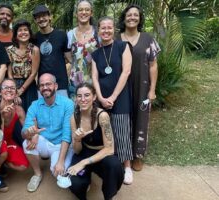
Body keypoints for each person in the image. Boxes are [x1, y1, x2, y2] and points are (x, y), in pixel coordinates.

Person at [117, 4, 161, 171]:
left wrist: (152, 90)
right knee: (122, 119)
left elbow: (153, 66)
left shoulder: (148, 39)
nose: (132, 17)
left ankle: (138, 156)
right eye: (129, 15)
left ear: (140, 18)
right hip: (121, 87)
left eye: (136, 15)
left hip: (142, 87)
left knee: (141, 119)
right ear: (124, 18)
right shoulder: (116, 38)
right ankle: (123, 154)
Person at [91, 17, 134, 184]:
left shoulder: (123, 47)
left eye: (109, 28)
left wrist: (113, 97)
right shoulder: (95, 54)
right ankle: (111, 165)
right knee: (106, 133)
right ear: (98, 30)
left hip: (120, 96)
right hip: (102, 97)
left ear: (114, 29)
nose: (106, 31)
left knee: (122, 131)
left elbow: (126, 71)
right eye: (103, 28)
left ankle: (127, 167)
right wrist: (101, 98)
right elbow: (95, 76)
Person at [67, 83, 124, 200]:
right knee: (74, 182)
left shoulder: (102, 116)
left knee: (115, 166)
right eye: (79, 96)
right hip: (84, 152)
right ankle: (85, 183)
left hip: (103, 154)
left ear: (94, 97)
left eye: (87, 95)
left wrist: (84, 162)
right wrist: (77, 139)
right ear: (76, 98)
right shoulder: (74, 118)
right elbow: (77, 151)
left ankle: (109, 195)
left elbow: (109, 149)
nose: (83, 99)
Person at [22, 73, 74, 192]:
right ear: (39, 88)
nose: (45, 87)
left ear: (55, 86)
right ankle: (37, 174)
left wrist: (60, 162)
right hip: (45, 142)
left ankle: (69, 163)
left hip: (61, 144)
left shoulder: (67, 104)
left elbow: (67, 134)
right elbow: (24, 131)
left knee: (58, 172)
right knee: (26, 143)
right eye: (42, 85)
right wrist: (31, 133)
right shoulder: (34, 105)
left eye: (48, 84)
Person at [0, 79, 28, 192]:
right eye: (6, 87)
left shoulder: (18, 110)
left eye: (12, 88)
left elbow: (26, 131)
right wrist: (2, 117)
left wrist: (32, 133)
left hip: (8, 142)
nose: (9, 90)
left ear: (16, 92)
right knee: (3, 152)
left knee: (23, 166)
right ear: (0, 92)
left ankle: (2, 164)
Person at [32, 5, 72, 97]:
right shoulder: (34, 38)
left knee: (63, 110)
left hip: (61, 84)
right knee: (44, 111)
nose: (41, 19)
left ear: (50, 17)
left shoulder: (61, 35)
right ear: (35, 20)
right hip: (43, 85)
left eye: (44, 15)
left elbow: (70, 59)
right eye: (38, 17)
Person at [68, 0, 100, 98]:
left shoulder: (98, 33)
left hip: (94, 81)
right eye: (80, 10)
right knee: (75, 110)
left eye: (87, 10)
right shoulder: (70, 34)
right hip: (74, 82)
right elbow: (70, 57)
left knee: (93, 110)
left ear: (91, 13)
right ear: (76, 13)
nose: (84, 12)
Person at [7, 19, 39, 112]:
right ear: (16, 34)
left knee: (31, 114)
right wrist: (14, 90)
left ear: (29, 32)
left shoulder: (34, 50)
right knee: (15, 113)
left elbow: (33, 73)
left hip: (29, 86)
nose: (23, 32)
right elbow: (9, 73)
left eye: (26, 30)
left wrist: (21, 90)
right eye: (20, 30)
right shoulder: (9, 50)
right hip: (13, 86)